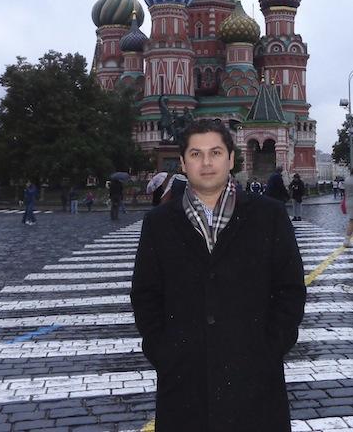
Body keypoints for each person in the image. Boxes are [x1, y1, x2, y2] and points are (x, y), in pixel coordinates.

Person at [131, 118, 306, 431]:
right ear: (183, 163)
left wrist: (271, 346)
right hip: (184, 383)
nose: (206, 162)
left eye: (215, 152)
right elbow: (145, 294)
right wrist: (163, 351)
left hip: (255, 379)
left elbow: (290, 289)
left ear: (231, 159)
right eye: (196, 154)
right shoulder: (158, 223)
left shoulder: (269, 215)